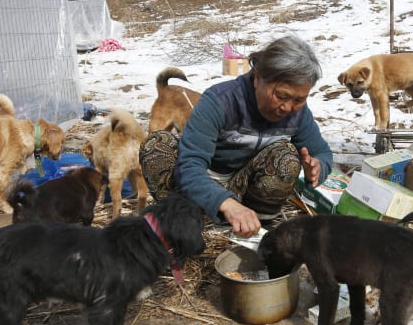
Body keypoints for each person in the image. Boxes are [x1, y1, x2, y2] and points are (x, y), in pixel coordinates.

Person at [139, 35, 333, 237]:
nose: (287, 107)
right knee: (156, 145)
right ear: (258, 78)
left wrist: (318, 167)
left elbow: (322, 152)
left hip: (243, 185)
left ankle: (256, 228)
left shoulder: (298, 113)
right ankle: (182, 225)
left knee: (286, 156)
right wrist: (225, 202)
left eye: (299, 99)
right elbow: (189, 166)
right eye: (281, 96)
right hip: (203, 180)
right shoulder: (220, 101)